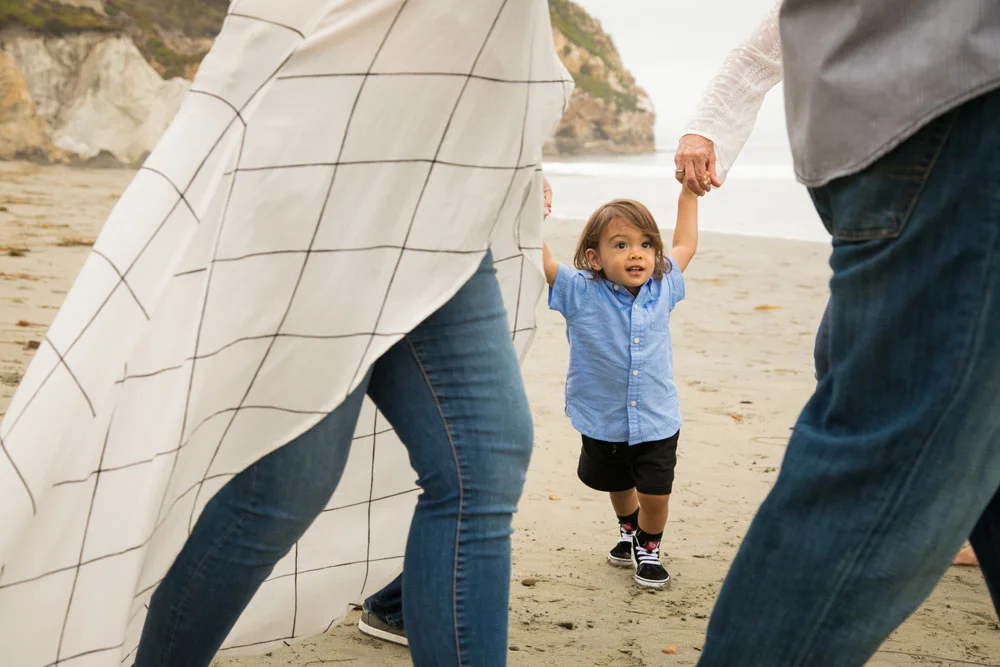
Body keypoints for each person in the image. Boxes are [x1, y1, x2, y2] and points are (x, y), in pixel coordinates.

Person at [0, 3, 574, 667]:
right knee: (281, 489)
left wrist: (501, 136)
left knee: (484, 459)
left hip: (443, 192)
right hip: (325, 177)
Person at [697, 2, 1000, 664]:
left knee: (972, 430)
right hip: (956, 105)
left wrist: (709, 125)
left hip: (872, 113)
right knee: (894, 441)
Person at [358, 174, 556, 648]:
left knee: (485, 464)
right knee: (286, 490)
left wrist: (526, 171)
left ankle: (397, 606)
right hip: (344, 204)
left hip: (451, 222)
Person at [542, 189, 698, 588]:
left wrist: (688, 194)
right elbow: (542, 261)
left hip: (657, 417)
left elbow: (685, 243)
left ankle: (649, 545)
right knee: (619, 484)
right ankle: (628, 528)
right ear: (595, 258)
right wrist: (530, 213)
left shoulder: (664, 284)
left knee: (656, 494)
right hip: (603, 418)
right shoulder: (579, 290)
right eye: (621, 245)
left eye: (646, 244)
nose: (637, 254)